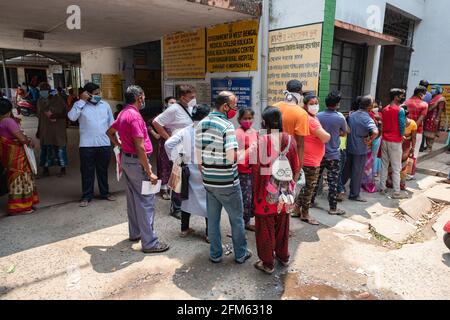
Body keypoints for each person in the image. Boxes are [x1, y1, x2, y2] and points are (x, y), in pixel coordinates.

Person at [107, 85, 169, 253]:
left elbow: (110, 132)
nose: (144, 100)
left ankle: (135, 233)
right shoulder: (134, 117)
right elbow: (140, 147)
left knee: (133, 198)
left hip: (127, 160)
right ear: (139, 98)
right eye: (143, 97)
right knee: (146, 201)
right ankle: (150, 243)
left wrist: (121, 145)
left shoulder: (123, 114)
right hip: (137, 162)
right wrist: (149, 171)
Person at [196, 91, 252, 264]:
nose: (235, 110)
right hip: (228, 183)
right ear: (225, 106)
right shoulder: (226, 126)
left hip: (209, 182)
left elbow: (199, 159)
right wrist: (249, 150)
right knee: (237, 220)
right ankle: (241, 254)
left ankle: (215, 254)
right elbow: (232, 157)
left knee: (213, 221)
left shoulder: (201, 124)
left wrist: (208, 175)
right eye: (234, 106)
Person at [252, 107, 300, 274]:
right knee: (283, 224)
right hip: (285, 191)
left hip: (265, 193)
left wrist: (255, 194)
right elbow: (295, 166)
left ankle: (267, 263)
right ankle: (283, 256)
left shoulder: (261, 141)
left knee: (265, 227)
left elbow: (256, 170)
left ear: (264, 122)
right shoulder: (290, 140)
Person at [165, 104, 211, 242]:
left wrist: (177, 159)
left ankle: (184, 229)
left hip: (188, 171)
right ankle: (209, 234)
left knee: (187, 199)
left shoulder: (185, 130)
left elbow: (168, 144)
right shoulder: (209, 131)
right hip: (205, 171)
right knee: (208, 202)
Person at [68, 83, 116, 207]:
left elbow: (112, 124)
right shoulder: (79, 105)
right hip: (86, 145)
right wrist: (81, 101)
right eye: (95, 94)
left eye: (99, 93)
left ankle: (105, 193)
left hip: (104, 143)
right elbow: (72, 117)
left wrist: (116, 141)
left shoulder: (105, 105)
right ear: (87, 94)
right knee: (87, 172)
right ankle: (86, 196)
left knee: (103, 171)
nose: (98, 96)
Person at [153, 87, 195, 219]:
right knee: (179, 176)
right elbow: (156, 122)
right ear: (183, 97)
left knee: (187, 176)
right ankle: (176, 207)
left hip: (189, 147)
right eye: (191, 97)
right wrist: (168, 138)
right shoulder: (174, 109)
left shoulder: (190, 108)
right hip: (178, 148)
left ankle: (185, 205)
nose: (193, 99)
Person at [293, 95, 330, 225]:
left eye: (316, 103)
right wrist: (328, 133)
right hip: (310, 161)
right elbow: (325, 137)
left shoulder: (308, 117)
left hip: (307, 158)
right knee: (310, 188)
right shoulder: (311, 120)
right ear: (305, 105)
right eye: (311, 103)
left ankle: (297, 209)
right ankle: (305, 214)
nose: (315, 106)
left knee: (305, 186)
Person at [0, 98, 39, 215]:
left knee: (14, 179)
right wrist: (30, 142)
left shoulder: (1, 121)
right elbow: (22, 139)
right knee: (22, 178)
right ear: (9, 109)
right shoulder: (8, 121)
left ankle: (19, 205)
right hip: (17, 155)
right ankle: (22, 206)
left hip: (8, 155)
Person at [312, 91, 347, 215]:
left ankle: (310, 202)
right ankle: (333, 208)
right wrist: (337, 132)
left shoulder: (318, 116)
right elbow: (345, 131)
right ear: (337, 104)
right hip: (333, 155)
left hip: (319, 153)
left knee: (315, 179)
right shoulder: (340, 117)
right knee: (333, 182)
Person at [341, 95, 379, 202]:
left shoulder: (352, 114)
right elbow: (376, 132)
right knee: (357, 172)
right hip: (360, 148)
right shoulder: (367, 118)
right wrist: (370, 140)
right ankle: (354, 194)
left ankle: (338, 187)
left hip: (349, 145)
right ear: (370, 106)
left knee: (346, 170)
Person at [379, 89, 408, 199]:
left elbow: (383, 125)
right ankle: (396, 192)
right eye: (401, 96)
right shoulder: (399, 110)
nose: (402, 97)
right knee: (396, 167)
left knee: (384, 165)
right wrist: (402, 136)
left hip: (385, 139)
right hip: (395, 141)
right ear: (396, 97)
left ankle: (382, 187)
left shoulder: (385, 109)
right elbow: (402, 125)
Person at [274, 80, 309, 169]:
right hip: (289, 158)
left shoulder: (274, 107)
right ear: (300, 92)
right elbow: (300, 144)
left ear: (287, 90)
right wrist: (300, 165)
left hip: (272, 155)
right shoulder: (301, 113)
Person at [36, 83, 69, 177]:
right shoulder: (40, 101)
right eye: (41, 91)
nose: (42, 93)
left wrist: (57, 116)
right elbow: (39, 117)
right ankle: (45, 169)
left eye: (44, 91)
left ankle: (63, 168)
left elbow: (67, 113)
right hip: (45, 129)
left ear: (49, 91)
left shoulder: (58, 100)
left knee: (60, 148)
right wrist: (38, 130)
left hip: (58, 130)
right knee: (45, 149)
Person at [151, 97, 177, 201]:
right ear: (166, 104)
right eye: (171, 103)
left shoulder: (178, 116)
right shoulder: (161, 116)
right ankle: (163, 189)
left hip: (176, 145)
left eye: (175, 103)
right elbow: (150, 124)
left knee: (174, 166)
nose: (174, 104)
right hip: (164, 145)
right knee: (164, 166)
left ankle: (173, 188)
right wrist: (155, 134)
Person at [236, 108, 258, 231]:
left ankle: (247, 222)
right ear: (239, 119)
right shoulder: (238, 133)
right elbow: (236, 154)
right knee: (244, 199)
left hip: (253, 171)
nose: (248, 120)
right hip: (242, 171)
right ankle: (241, 225)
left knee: (250, 199)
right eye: (245, 118)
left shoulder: (254, 132)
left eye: (250, 118)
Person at [404, 86, 428, 179]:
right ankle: (409, 174)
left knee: (404, 151)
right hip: (417, 131)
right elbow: (420, 119)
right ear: (420, 94)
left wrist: (407, 129)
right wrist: (413, 128)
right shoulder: (424, 104)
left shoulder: (406, 102)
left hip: (405, 131)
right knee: (414, 153)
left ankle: (402, 172)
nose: (425, 96)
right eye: (424, 94)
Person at [423, 85, 446, 152]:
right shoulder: (433, 97)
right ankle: (427, 146)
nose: (432, 90)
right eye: (432, 88)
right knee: (427, 132)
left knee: (431, 133)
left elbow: (440, 109)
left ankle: (429, 147)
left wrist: (437, 118)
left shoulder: (441, 98)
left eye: (434, 89)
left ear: (438, 90)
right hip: (429, 117)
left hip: (434, 117)